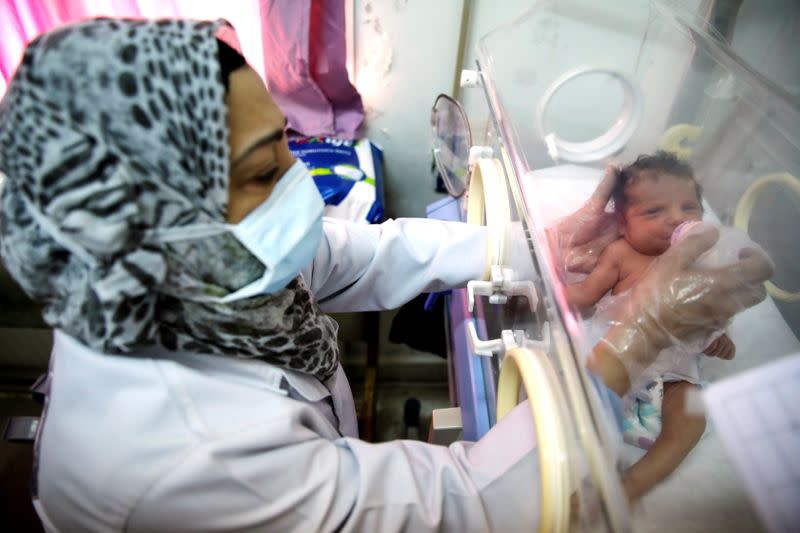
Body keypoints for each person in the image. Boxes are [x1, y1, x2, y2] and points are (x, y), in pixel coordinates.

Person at [0, 19, 771, 532]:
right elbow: (471, 505)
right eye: (266, 169)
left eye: (286, 148)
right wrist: (641, 336)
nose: (299, 185)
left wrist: (537, 243)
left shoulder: (179, 273)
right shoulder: (184, 456)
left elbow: (355, 255)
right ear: (153, 222)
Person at [564, 152, 737, 502]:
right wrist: (549, 290)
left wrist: (720, 340)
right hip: (619, 356)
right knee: (587, 397)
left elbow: (712, 320)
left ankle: (633, 485)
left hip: (675, 371)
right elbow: (584, 295)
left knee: (693, 416)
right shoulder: (621, 254)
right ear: (624, 225)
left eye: (689, 208)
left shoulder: (703, 264)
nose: (676, 220)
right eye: (654, 212)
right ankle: (577, 464)